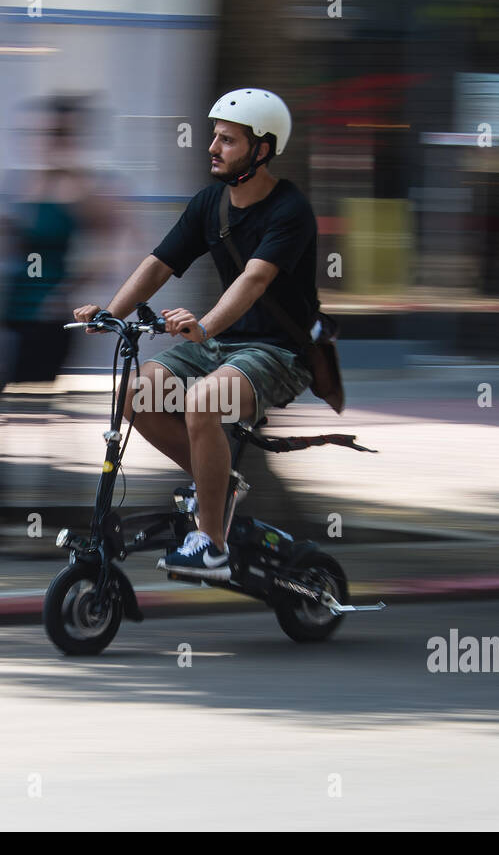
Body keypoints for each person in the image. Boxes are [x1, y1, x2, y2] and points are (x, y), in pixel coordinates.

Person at [73, 88, 318, 580]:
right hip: (222, 347)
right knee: (137, 394)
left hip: (279, 354)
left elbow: (254, 279)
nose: (212, 147)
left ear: (261, 149)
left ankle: (212, 544)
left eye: (227, 140)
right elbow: (159, 264)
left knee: (203, 402)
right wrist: (109, 313)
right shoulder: (211, 204)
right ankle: (218, 488)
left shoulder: (289, 210)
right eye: (214, 137)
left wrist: (203, 326)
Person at [0, 94, 121, 544]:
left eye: (57, 133)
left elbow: (111, 250)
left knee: (44, 419)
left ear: (73, 137)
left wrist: (69, 293)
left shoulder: (86, 191)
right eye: (41, 132)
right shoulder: (19, 183)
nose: (47, 141)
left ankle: (53, 524)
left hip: (50, 319)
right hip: (10, 314)